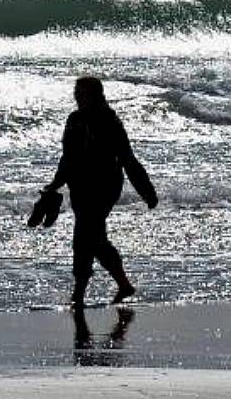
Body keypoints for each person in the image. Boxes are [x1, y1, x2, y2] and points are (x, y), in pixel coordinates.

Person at [43, 76, 158, 307]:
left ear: (96, 96)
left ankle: (79, 295)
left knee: (84, 237)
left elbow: (128, 159)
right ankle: (123, 285)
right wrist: (55, 184)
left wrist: (147, 191)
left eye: (82, 93)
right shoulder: (74, 120)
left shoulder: (110, 122)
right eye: (76, 93)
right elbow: (68, 157)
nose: (77, 97)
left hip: (105, 187)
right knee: (95, 239)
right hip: (80, 188)